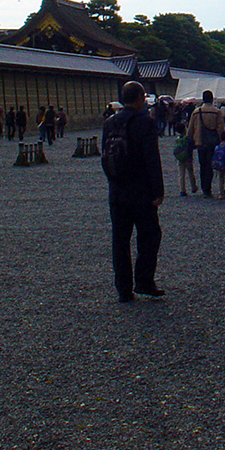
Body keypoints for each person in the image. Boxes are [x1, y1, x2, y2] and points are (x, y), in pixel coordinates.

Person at [101, 81, 165, 303]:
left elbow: (104, 156)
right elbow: (151, 159)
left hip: (117, 190)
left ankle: (123, 288)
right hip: (141, 190)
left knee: (120, 240)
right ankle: (144, 280)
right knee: (150, 235)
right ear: (139, 98)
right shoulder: (145, 123)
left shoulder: (109, 123)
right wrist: (157, 191)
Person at [186, 91, 225, 198]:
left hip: (200, 141)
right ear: (212, 99)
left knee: (203, 165)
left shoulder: (196, 112)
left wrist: (191, 140)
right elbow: (220, 128)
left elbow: (190, 130)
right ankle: (208, 187)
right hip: (213, 142)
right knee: (210, 165)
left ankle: (204, 187)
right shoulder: (217, 112)